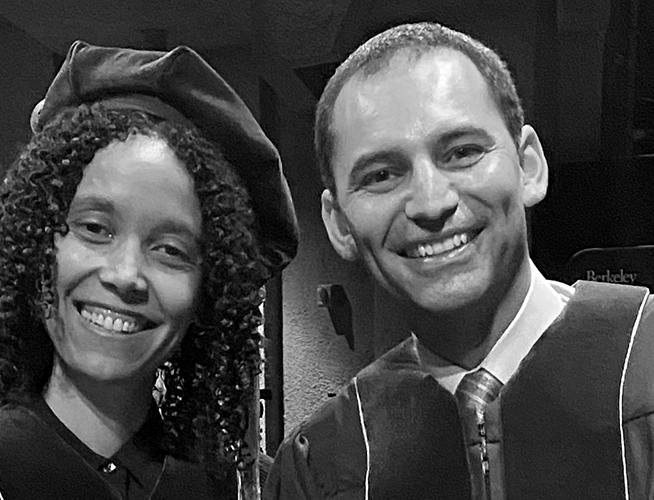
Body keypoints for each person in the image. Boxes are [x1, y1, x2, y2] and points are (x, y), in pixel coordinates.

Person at [266, 21, 654, 500]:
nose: (430, 203)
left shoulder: (645, 363)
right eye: (382, 174)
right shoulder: (327, 458)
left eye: (463, 152)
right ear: (339, 223)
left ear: (528, 166)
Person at [0, 40, 298, 500]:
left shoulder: (247, 490)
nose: (126, 274)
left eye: (170, 250)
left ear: (205, 293)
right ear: (35, 246)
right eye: (95, 228)